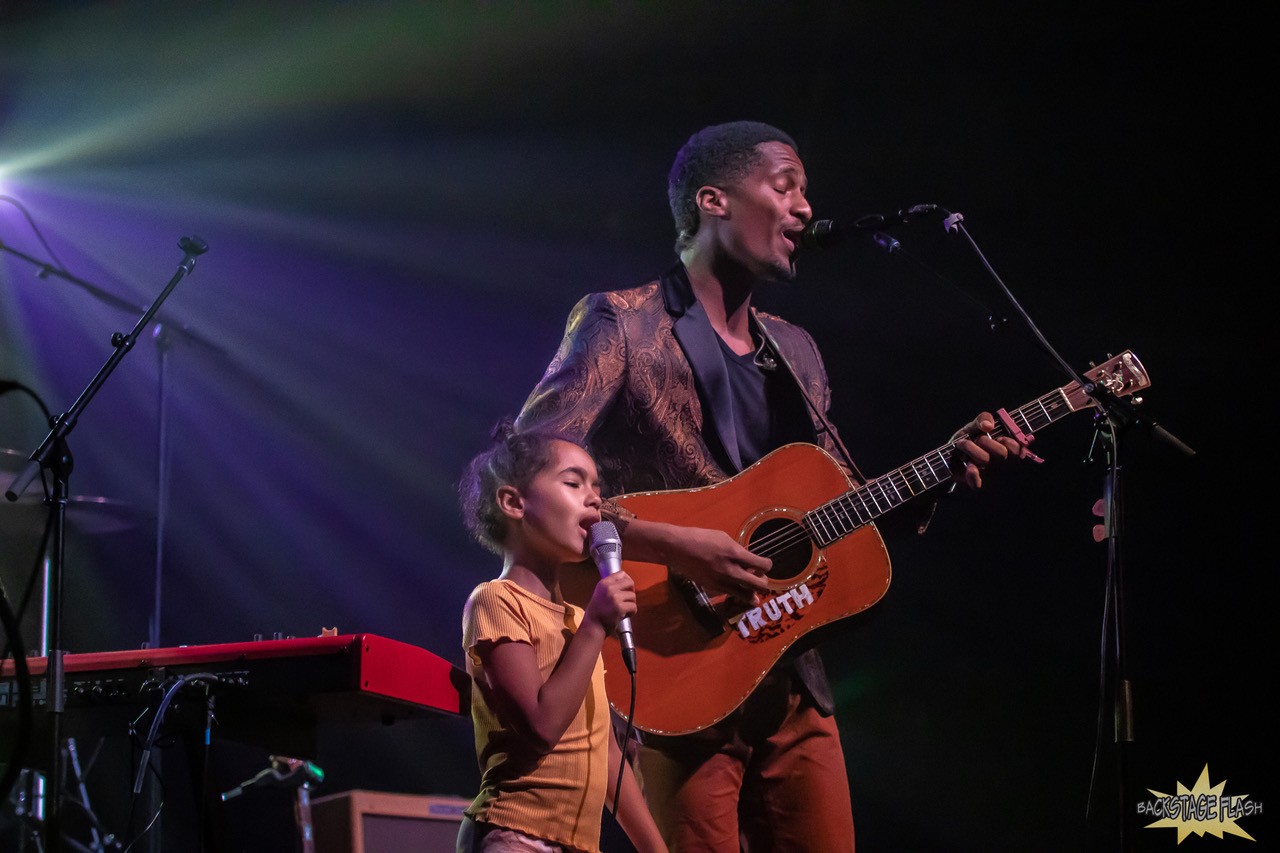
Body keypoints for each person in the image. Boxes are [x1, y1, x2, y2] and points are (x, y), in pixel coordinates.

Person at [513, 120, 1028, 851]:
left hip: (792, 678)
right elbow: (524, 475)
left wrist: (945, 466)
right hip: (673, 677)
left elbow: (842, 508)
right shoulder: (620, 325)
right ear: (713, 200)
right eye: (785, 186)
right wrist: (673, 544)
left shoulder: (797, 352)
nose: (804, 208)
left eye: (806, 192)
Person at [456, 418, 668, 853]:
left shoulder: (575, 617)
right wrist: (594, 625)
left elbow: (606, 755)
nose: (595, 499)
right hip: (516, 834)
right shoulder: (496, 601)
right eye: (574, 483)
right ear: (514, 503)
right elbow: (540, 725)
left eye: (596, 485)